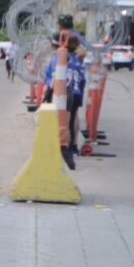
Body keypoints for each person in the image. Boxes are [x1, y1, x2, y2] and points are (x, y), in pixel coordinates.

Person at [42, 31, 84, 171]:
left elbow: (52, 77)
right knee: (71, 120)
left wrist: (48, 91)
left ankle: (62, 148)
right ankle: (72, 147)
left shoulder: (57, 57)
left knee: (61, 122)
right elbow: (82, 78)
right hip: (75, 91)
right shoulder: (76, 59)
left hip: (61, 92)